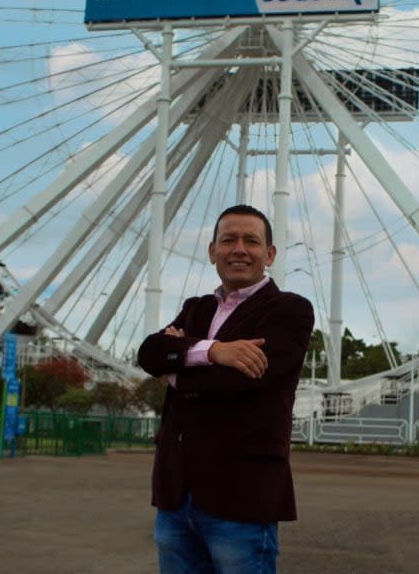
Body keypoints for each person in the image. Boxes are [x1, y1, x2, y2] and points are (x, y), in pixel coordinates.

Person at [137, 204, 314, 574]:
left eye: (251, 240)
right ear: (212, 251)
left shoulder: (290, 310)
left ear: (269, 254)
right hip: (175, 495)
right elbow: (150, 353)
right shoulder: (195, 309)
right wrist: (216, 351)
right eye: (228, 239)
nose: (239, 248)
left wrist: (181, 357)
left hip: (243, 498)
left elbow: (243, 380)